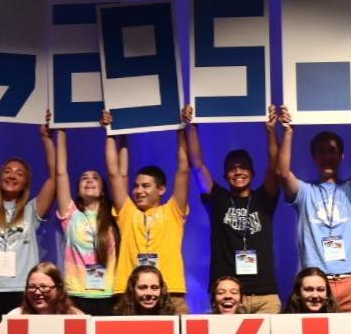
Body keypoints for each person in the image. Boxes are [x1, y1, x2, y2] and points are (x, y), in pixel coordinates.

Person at [277, 103, 351, 312]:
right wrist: (288, 132)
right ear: (314, 157)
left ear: (341, 156)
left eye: (332, 151)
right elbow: (282, 173)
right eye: (321, 151)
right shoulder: (305, 191)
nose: (326, 156)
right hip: (316, 284)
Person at [185, 104, 281, 313]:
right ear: (225, 175)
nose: (238, 172)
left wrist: (271, 131)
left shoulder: (264, 198)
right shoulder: (218, 199)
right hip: (227, 294)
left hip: (264, 294)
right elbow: (197, 165)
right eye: (232, 168)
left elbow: (275, 166)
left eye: (243, 167)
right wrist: (192, 127)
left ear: (253, 173)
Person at [105, 111, 191, 315]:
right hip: (129, 292)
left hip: (170, 290)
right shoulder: (128, 213)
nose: (138, 191)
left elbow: (183, 170)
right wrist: (109, 132)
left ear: (161, 190)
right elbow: (113, 174)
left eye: (145, 186)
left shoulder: (173, 211)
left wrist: (181, 129)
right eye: (136, 186)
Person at [0, 117, 57, 323]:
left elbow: (55, 178)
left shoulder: (31, 210)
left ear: (26, 182)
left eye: (19, 173)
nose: (12, 176)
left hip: (22, 290)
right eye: (7, 171)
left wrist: (46, 139)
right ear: (0, 177)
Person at [55, 126, 119, 316]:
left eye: (95, 178)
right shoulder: (71, 214)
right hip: (76, 294)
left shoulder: (114, 215)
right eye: (84, 178)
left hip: (108, 294)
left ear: (103, 190)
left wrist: (113, 131)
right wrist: (61, 129)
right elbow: (61, 172)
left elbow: (117, 173)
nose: (89, 181)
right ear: (78, 190)